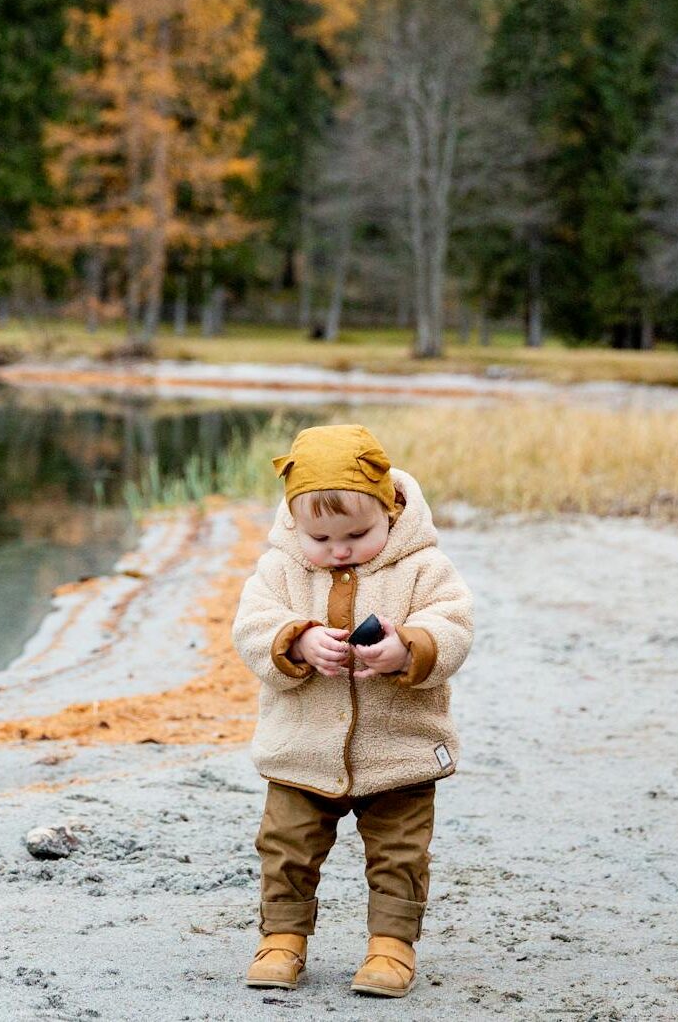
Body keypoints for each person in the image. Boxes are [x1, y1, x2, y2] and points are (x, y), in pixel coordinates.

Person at [231, 423, 473, 998]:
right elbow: (251, 626)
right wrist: (295, 641)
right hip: (301, 751)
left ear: (391, 509)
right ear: (294, 523)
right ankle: (282, 939)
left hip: (401, 750)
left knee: (399, 854)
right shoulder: (281, 568)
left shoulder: (423, 567)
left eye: (356, 534)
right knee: (285, 849)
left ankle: (391, 946)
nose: (337, 550)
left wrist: (407, 646)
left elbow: (454, 625)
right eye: (320, 538)